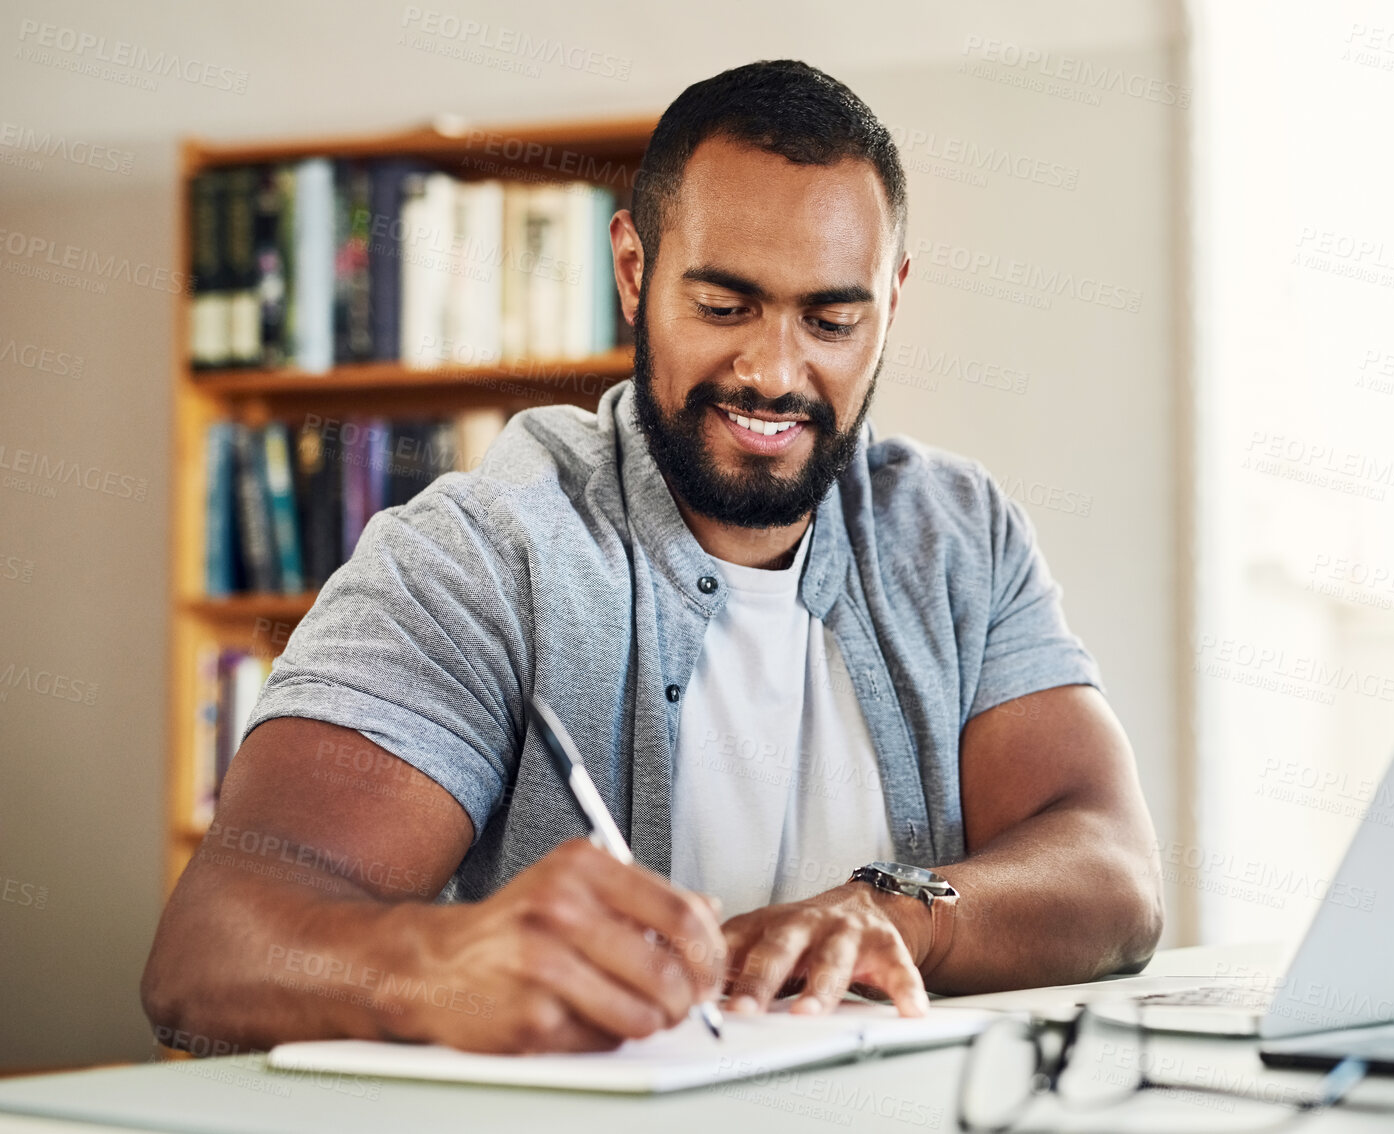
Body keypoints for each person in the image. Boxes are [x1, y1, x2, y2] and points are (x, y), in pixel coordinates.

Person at [142, 59, 1163, 1055]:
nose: (773, 370)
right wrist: (438, 961)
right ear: (634, 272)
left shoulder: (957, 536)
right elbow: (205, 957)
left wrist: (900, 917)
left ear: (891, 300)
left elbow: (1114, 874)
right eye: (724, 306)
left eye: (831, 318)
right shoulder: (480, 556)